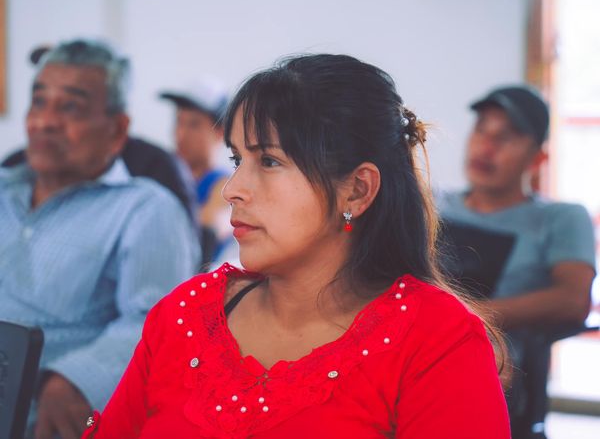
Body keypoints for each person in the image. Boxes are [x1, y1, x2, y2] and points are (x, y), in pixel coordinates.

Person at [83, 54, 510, 438]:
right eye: (237, 160)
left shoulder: (437, 342)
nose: (233, 189)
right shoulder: (186, 316)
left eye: (269, 161)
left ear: (357, 190)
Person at [0, 38, 200, 439]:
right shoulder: (5, 187)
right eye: (39, 102)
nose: (45, 121)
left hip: (37, 412)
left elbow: (154, 322)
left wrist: (74, 379)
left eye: (70, 107)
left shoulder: (145, 210)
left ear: (117, 129)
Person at [437, 85, 596, 438]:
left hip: (495, 373)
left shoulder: (558, 219)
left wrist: (467, 317)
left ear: (537, 158)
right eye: (481, 130)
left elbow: (573, 300)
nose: (486, 146)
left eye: (505, 137)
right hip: (413, 354)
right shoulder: (432, 204)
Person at [160, 80, 237, 266]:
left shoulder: (225, 187)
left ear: (220, 133)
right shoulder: (162, 176)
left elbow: (207, 232)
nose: (181, 134)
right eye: (179, 122)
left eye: (194, 125)